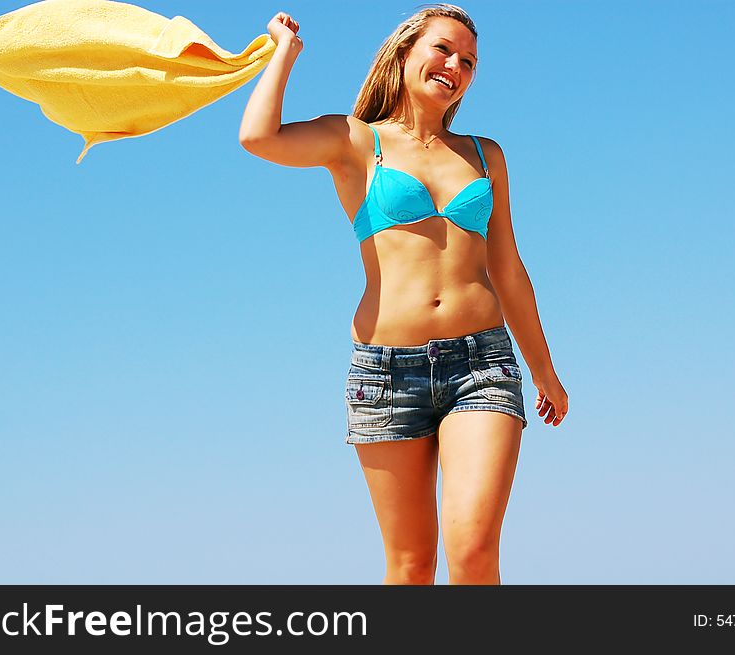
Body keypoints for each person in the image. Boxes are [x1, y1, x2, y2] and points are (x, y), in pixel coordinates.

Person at [239, 4, 568, 585]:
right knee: (411, 566)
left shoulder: (485, 155)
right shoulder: (355, 141)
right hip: (385, 372)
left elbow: (509, 268)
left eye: (468, 61)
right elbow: (258, 137)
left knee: (471, 551)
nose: (455, 66)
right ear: (405, 51)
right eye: (444, 49)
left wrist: (544, 370)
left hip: (482, 365)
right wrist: (282, 54)